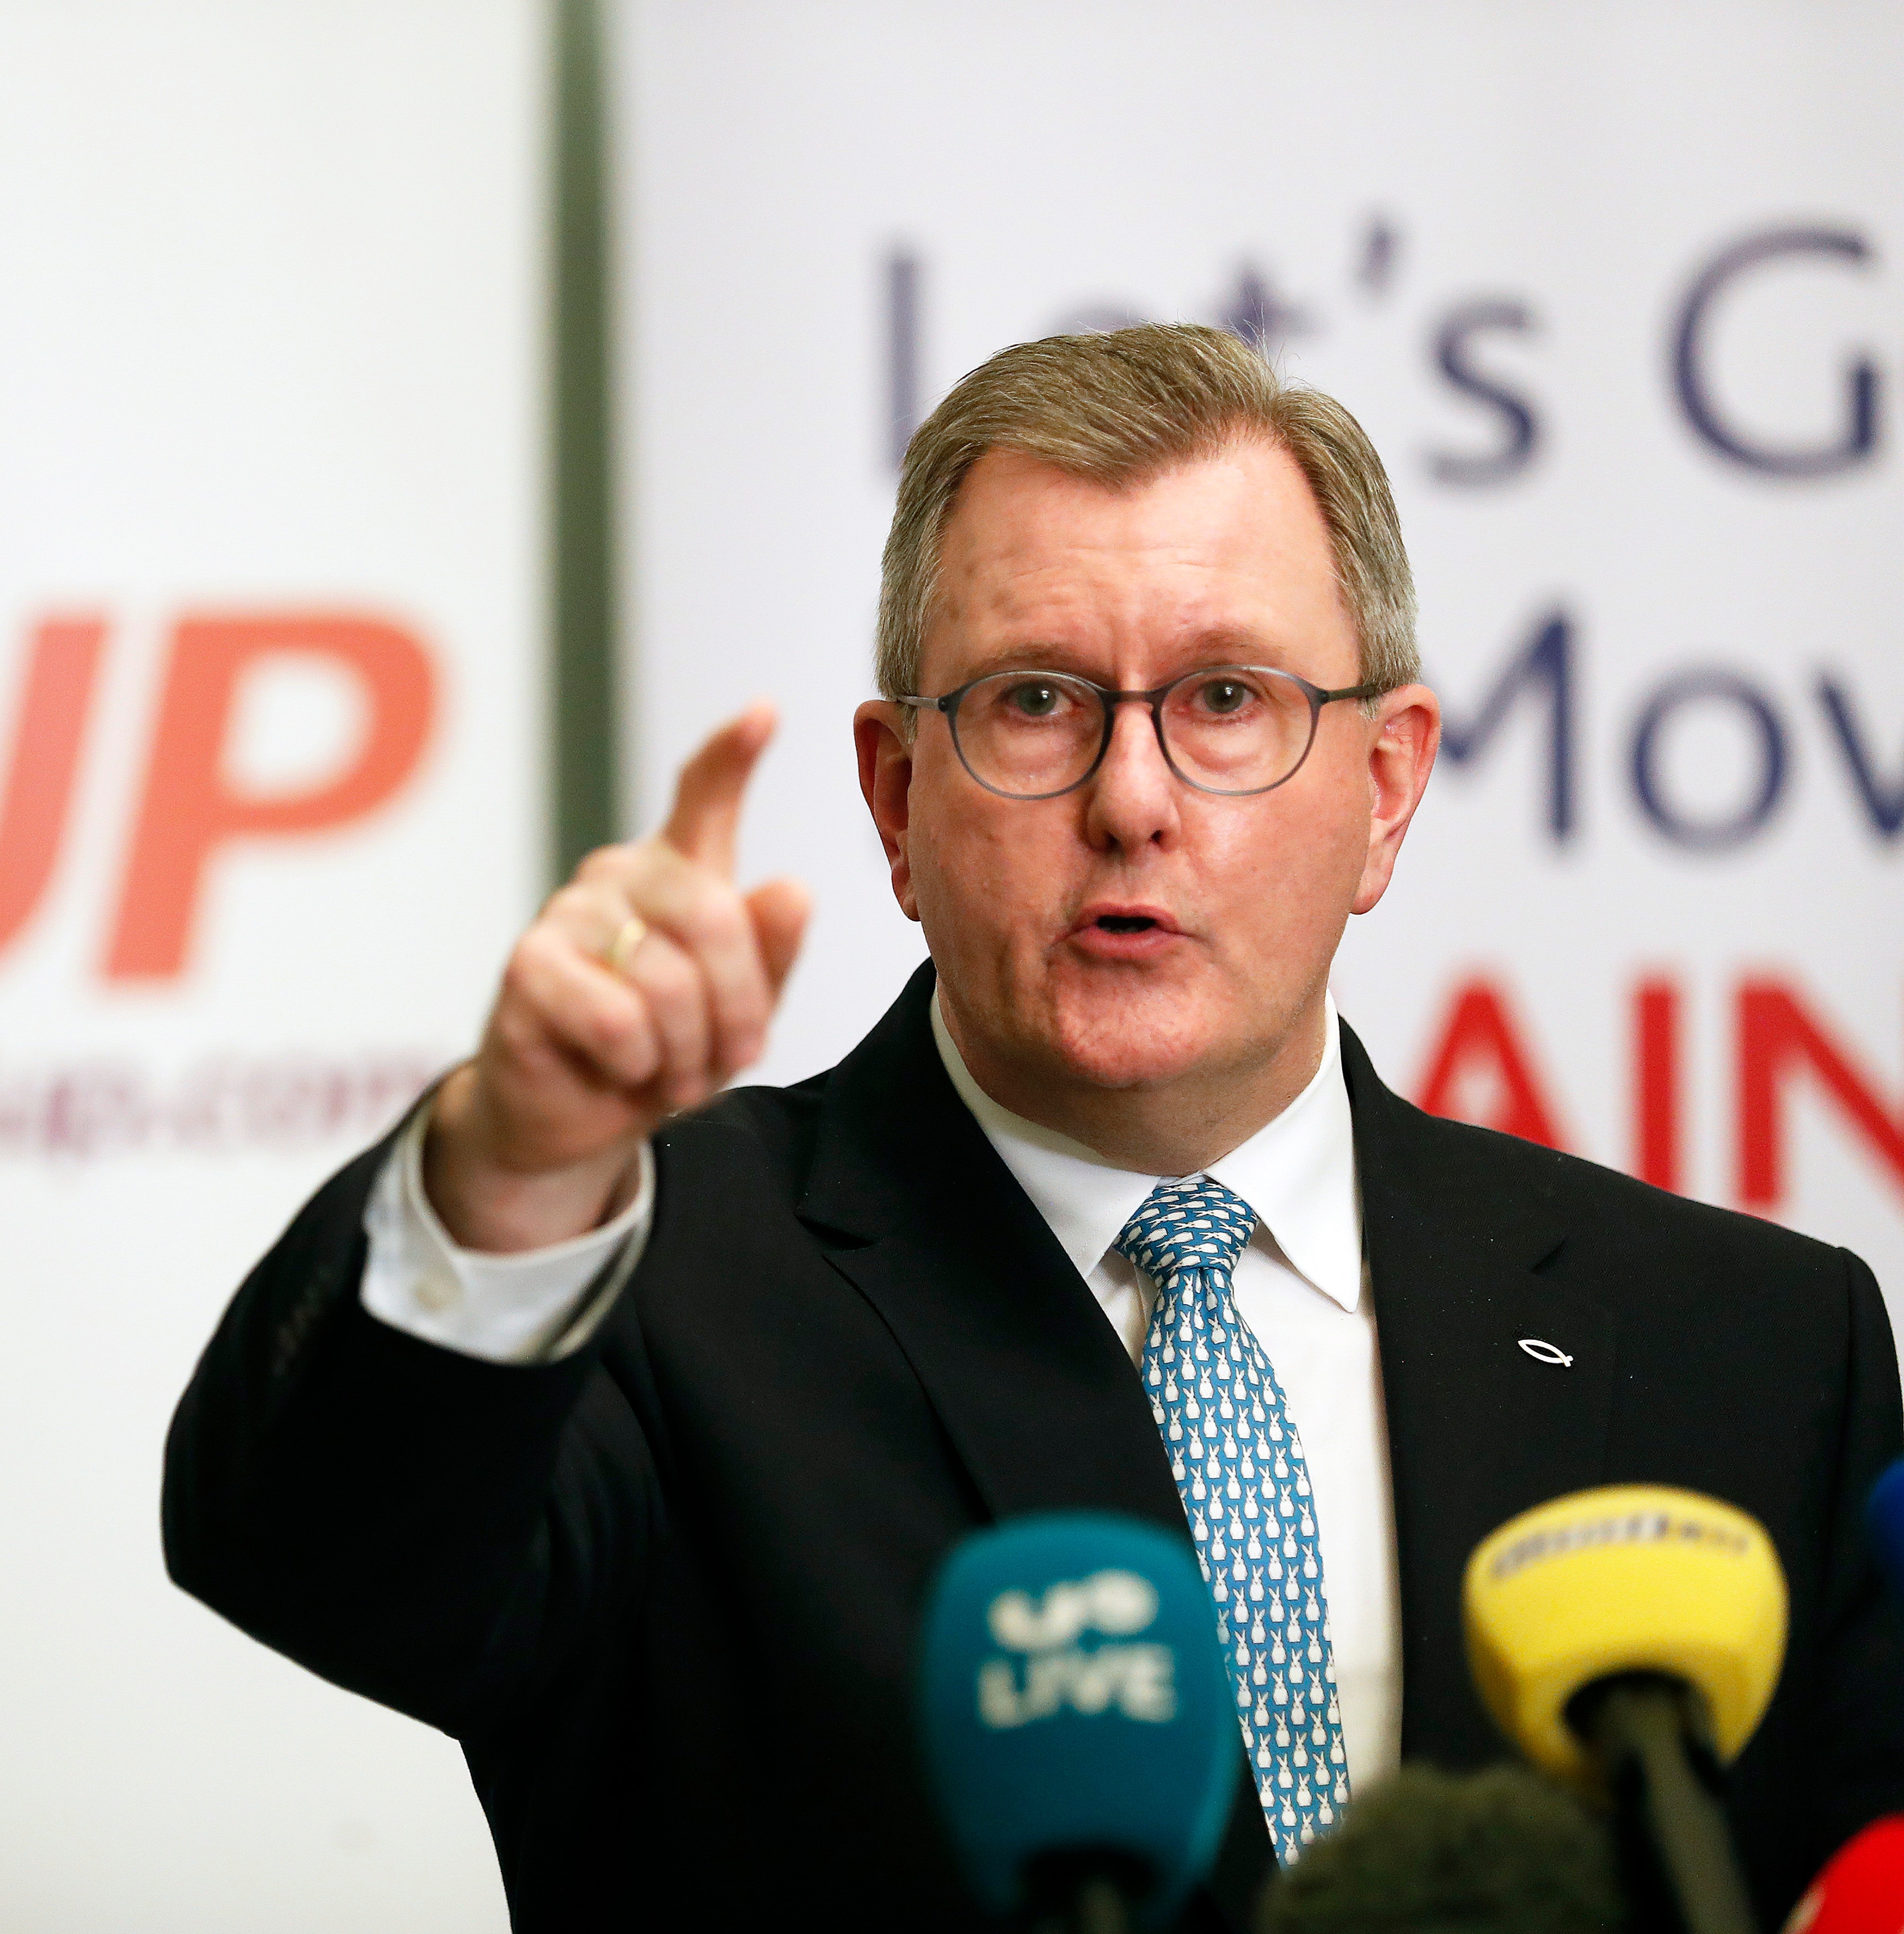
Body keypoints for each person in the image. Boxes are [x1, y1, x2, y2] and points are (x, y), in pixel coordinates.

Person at [161, 325, 1904, 1931]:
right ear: (898, 803)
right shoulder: (646, 1290)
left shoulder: (1747, 1348)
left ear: (1383, 791)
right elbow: (324, 1558)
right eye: (1036, 702)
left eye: (1228, 699)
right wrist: (516, 1163)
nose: (1131, 802)